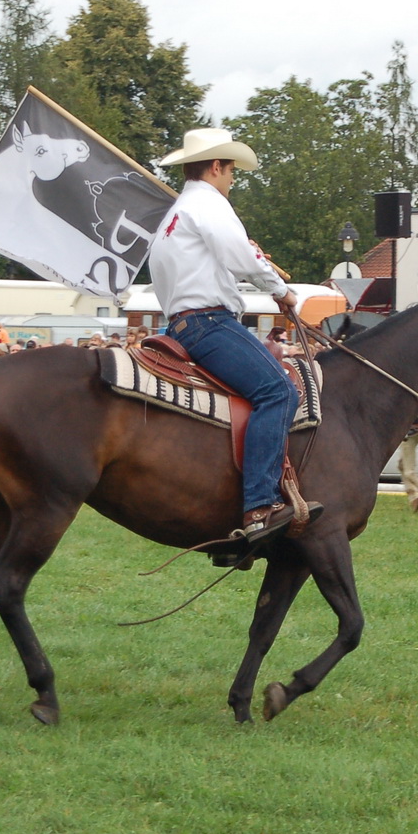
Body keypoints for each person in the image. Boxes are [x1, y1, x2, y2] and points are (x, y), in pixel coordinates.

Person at [148, 127, 311, 540]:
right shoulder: (208, 204)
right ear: (216, 166)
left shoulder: (176, 213)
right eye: (232, 171)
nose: (233, 180)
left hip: (182, 323)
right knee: (279, 391)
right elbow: (240, 256)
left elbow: (224, 260)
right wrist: (282, 291)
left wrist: (246, 258)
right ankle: (260, 506)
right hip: (209, 324)